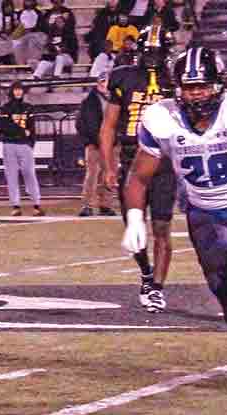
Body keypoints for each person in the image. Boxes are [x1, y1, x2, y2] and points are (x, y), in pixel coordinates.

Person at [125, 46, 227, 394]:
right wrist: (135, 218)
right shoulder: (162, 120)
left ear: (220, 85)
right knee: (226, 291)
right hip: (204, 214)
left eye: (202, 86)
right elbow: (139, 177)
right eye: (188, 86)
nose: (195, 93)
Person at [100, 24, 176, 313]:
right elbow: (108, 126)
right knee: (134, 228)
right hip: (132, 159)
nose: (153, 59)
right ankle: (146, 272)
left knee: (162, 226)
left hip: (166, 160)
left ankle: (157, 287)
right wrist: (108, 165)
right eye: (149, 53)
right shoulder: (123, 77)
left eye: (158, 53)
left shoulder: (176, 79)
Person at [0, 81, 43, 216]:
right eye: (15, 89)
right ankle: (15, 205)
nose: (18, 92)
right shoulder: (4, 108)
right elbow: (2, 128)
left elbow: (32, 128)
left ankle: (36, 204)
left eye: (20, 89)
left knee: (29, 173)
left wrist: (30, 143)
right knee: (11, 175)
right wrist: (22, 132)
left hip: (25, 145)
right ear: (11, 91)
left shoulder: (29, 108)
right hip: (9, 145)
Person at [75, 73, 115, 216]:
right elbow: (81, 123)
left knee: (109, 174)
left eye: (107, 82)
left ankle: (106, 204)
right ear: (98, 83)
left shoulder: (114, 99)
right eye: (103, 82)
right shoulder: (89, 101)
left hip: (111, 143)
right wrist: (93, 139)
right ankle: (87, 205)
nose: (105, 85)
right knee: (92, 174)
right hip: (95, 144)